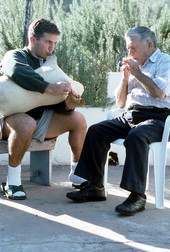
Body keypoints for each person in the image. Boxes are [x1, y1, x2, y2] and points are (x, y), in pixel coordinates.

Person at [66, 26, 170, 215]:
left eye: (133, 48)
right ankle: (96, 186)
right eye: (128, 48)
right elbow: (121, 103)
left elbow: (159, 93)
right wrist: (125, 78)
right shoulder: (135, 65)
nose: (130, 52)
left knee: (136, 136)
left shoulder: (165, 62)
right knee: (97, 131)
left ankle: (137, 196)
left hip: (159, 118)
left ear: (149, 45)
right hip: (131, 115)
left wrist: (137, 73)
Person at [0, 18, 87, 200]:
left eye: (54, 43)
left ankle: (77, 173)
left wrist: (67, 105)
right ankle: (13, 182)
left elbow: (54, 102)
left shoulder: (51, 64)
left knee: (78, 119)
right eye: (48, 42)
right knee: (26, 123)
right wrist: (48, 88)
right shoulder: (15, 56)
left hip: (41, 120)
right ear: (33, 40)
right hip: (12, 120)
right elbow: (16, 71)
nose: (52, 48)